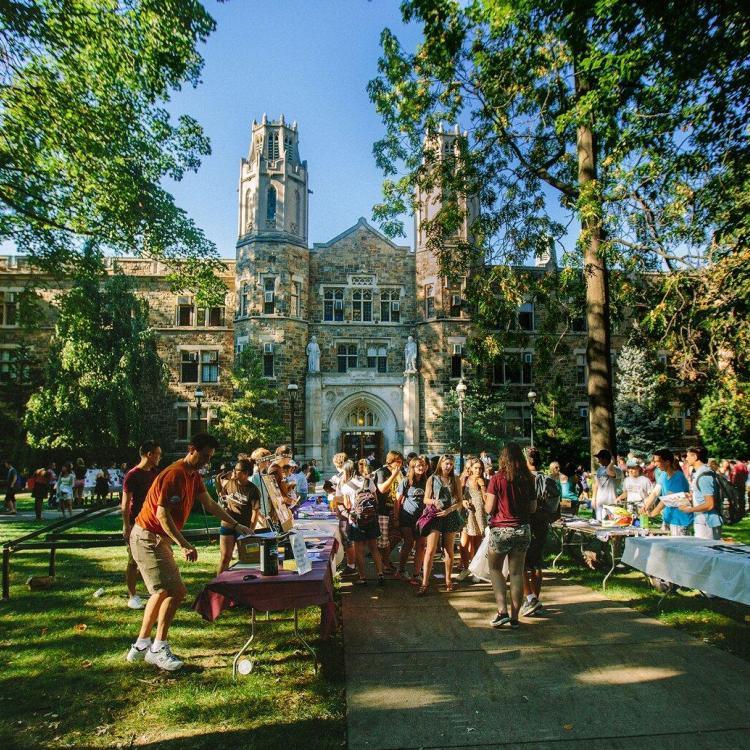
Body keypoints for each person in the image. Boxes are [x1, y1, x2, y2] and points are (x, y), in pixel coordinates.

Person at [126, 433, 251, 671]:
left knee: (161, 592)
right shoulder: (175, 474)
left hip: (155, 538)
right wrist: (183, 543)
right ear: (191, 449)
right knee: (174, 591)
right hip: (147, 537)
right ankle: (158, 648)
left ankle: (141, 645)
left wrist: (236, 525)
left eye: (210, 457)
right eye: (204, 455)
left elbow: (211, 504)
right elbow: (162, 515)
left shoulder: (193, 475)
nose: (207, 461)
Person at [484, 443, 536, 628]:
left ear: (502, 458)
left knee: (496, 569)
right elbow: (533, 507)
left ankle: (502, 612)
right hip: (522, 529)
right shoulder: (529, 479)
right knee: (516, 573)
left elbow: (489, 508)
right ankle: (515, 618)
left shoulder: (497, 479)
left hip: (501, 530)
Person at [122, 441, 162, 609]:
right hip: (135, 523)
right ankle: (132, 596)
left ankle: (155, 591)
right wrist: (126, 526)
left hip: (152, 523)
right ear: (149, 454)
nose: (160, 457)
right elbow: (125, 504)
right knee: (133, 561)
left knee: (152, 559)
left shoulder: (154, 472)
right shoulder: (133, 475)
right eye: (158, 454)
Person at [418, 454, 465, 596]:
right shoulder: (432, 479)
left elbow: (460, 501)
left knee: (449, 550)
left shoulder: (455, 479)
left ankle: (448, 581)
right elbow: (425, 499)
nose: (448, 466)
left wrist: (449, 510)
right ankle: (424, 583)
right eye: (446, 463)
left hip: (449, 516)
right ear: (441, 464)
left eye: (451, 464)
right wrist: (433, 502)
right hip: (435, 516)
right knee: (430, 550)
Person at [522, 447, 560, 617]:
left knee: (521, 563)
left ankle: (530, 598)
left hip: (526, 523)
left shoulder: (523, 479)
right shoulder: (549, 481)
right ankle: (535, 597)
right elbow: (556, 507)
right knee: (537, 562)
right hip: (542, 523)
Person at [338, 459, 384, 586]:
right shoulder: (368, 482)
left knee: (359, 550)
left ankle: (362, 577)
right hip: (371, 519)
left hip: (356, 520)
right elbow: (376, 500)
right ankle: (380, 574)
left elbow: (347, 505)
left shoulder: (347, 486)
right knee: (374, 549)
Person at [215, 457, 261, 573]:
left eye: (237, 470)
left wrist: (251, 530)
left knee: (245, 561)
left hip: (243, 528)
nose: (234, 472)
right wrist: (219, 490)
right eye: (234, 469)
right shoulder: (229, 483)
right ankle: (218, 584)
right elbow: (220, 490)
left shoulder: (253, 490)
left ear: (245, 473)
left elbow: (255, 512)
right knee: (225, 558)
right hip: (227, 525)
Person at [643, 448, 692, 536]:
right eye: (654, 461)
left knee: (677, 548)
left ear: (667, 462)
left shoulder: (678, 477)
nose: (656, 464)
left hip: (679, 520)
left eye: (658, 461)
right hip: (668, 518)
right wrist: (646, 507)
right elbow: (655, 493)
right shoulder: (663, 475)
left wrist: (653, 513)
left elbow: (668, 499)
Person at [679, 445, 723, 540]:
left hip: (707, 523)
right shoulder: (700, 473)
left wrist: (689, 510)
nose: (686, 459)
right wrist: (691, 496)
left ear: (695, 457)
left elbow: (709, 504)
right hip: (702, 521)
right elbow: (702, 495)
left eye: (688, 456)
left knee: (707, 553)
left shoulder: (704, 476)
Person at [395, 455, 429, 582]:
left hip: (422, 518)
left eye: (422, 465)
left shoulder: (427, 481)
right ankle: (401, 569)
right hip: (406, 516)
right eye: (418, 466)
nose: (421, 468)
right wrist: (396, 518)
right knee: (408, 543)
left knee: (421, 545)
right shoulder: (406, 481)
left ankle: (416, 574)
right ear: (412, 468)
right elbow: (397, 501)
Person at [374, 451, 405, 573]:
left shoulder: (400, 473)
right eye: (397, 461)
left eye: (401, 461)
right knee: (384, 539)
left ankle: (384, 559)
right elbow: (381, 489)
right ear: (390, 461)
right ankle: (385, 563)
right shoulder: (382, 472)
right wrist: (394, 475)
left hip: (396, 509)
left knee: (398, 535)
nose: (400, 464)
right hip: (383, 510)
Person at [456, 458, 487, 582]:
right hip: (467, 513)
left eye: (480, 468)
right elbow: (459, 495)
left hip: (479, 514)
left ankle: (476, 570)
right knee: (463, 543)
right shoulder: (465, 479)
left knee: (477, 543)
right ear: (471, 468)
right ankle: (465, 567)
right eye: (476, 468)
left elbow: (486, 499)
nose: (478, 470)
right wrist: (463, 501)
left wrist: (483, 486)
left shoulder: (483, 481)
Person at [592, 449, 622, 521]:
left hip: (611, 502)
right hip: (600, 502)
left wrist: (612, 463)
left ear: (605, 458)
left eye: (600, 458)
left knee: (611, 525)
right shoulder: (599, 470)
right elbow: (596, 484)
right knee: (599, 524)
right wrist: (594, 498)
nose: (599, 461)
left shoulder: (616, 469)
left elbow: (609, 472)